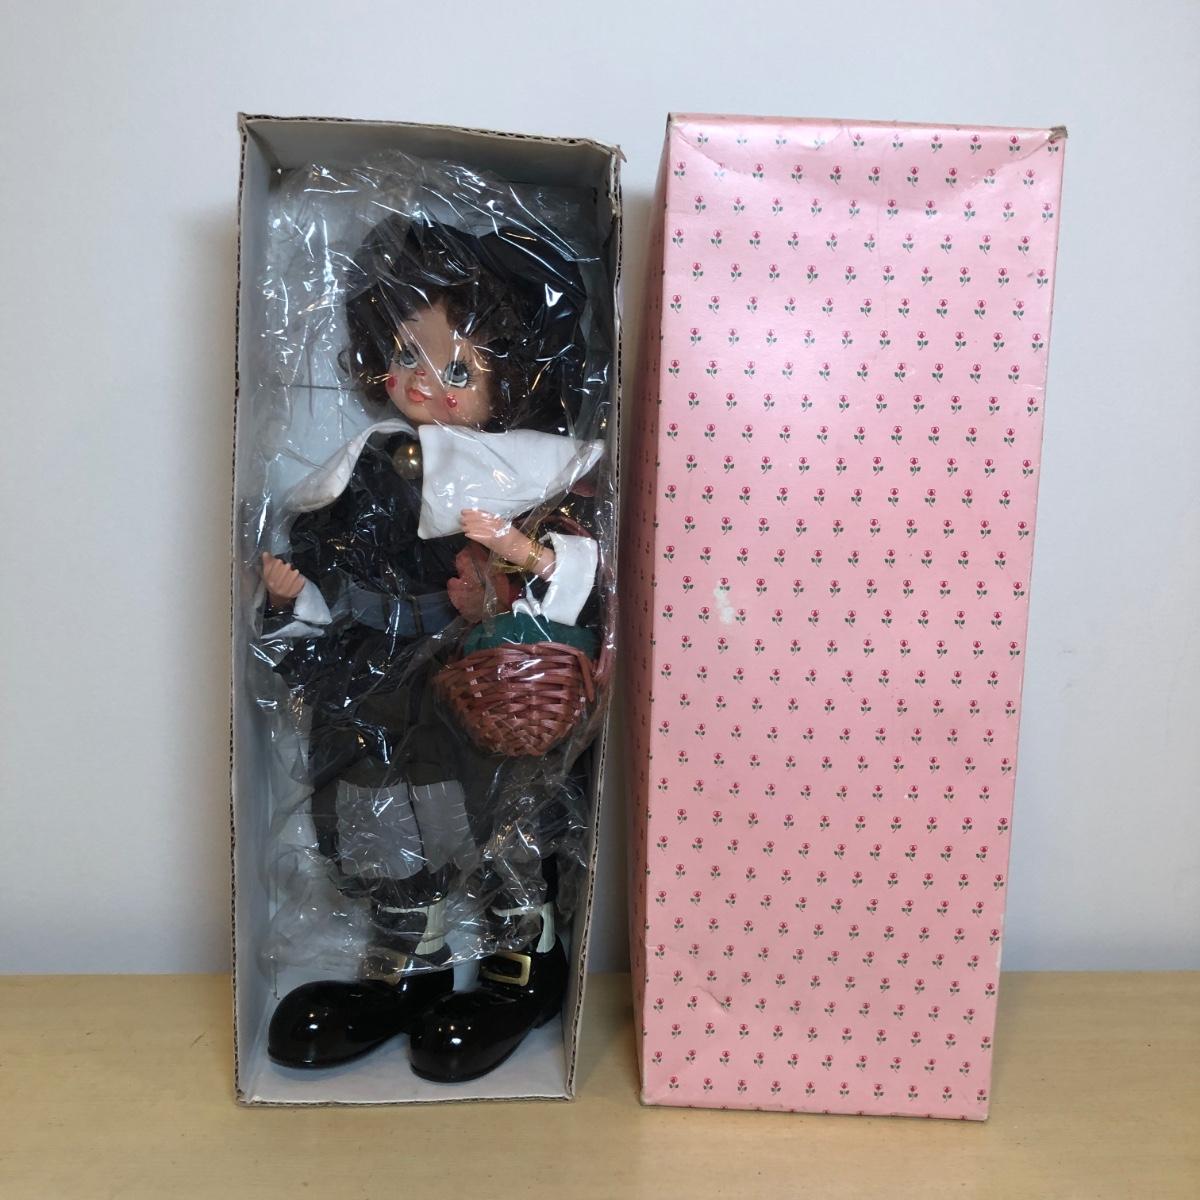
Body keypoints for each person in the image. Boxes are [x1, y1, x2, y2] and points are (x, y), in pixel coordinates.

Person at [257, 209, 608, 1080]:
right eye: (406, 354)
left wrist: (525, 556)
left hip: (472, 680)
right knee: (378, 814)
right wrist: (300, 600)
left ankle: (521, 960)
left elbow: (576, 569)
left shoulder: (533, 468)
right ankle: (405, 963)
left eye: (458, 368)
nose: (426, 383)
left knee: (494, 814)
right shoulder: (365, 466)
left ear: (517, 374)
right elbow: (330, 560)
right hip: (372, 671)